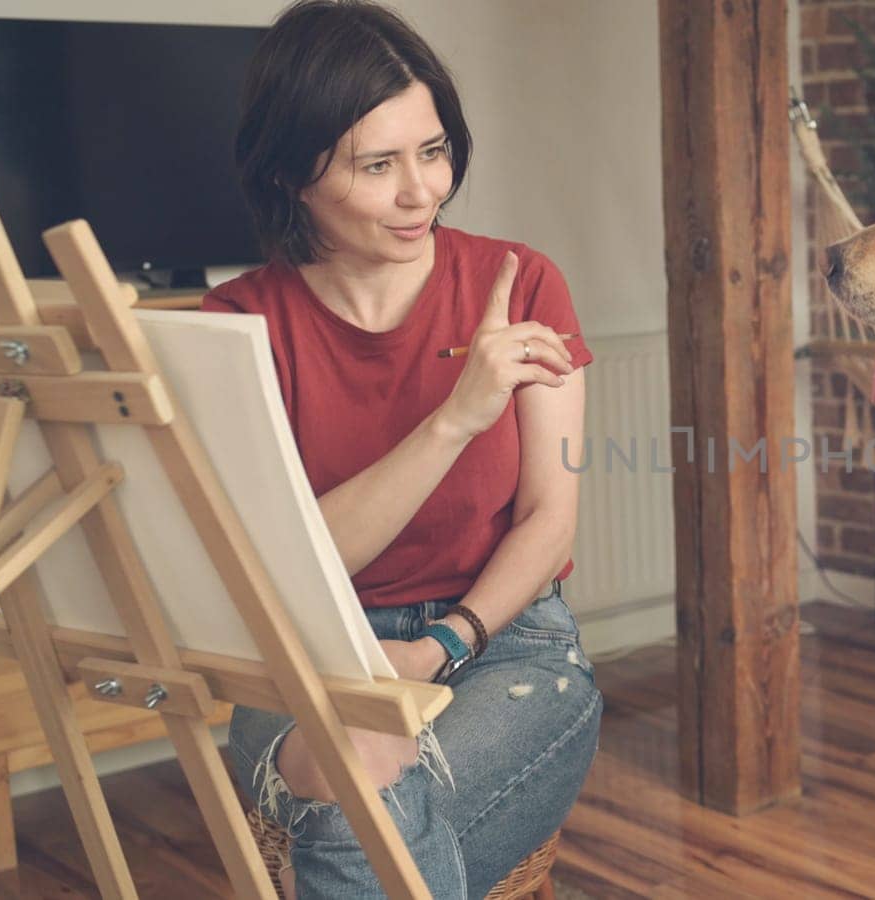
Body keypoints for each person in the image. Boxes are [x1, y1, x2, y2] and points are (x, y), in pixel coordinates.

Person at [205, 2, 601, 896]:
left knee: (359, 818)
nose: (422, 190)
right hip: (304, 653)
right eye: (377, 165)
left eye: (433, 151)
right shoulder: (237, 327)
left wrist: (441, 649)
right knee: (365, 780)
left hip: (505, 643)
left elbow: (550, 517)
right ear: (291, 173)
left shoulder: (524, 282)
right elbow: (285, 568)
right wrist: (456, 418)